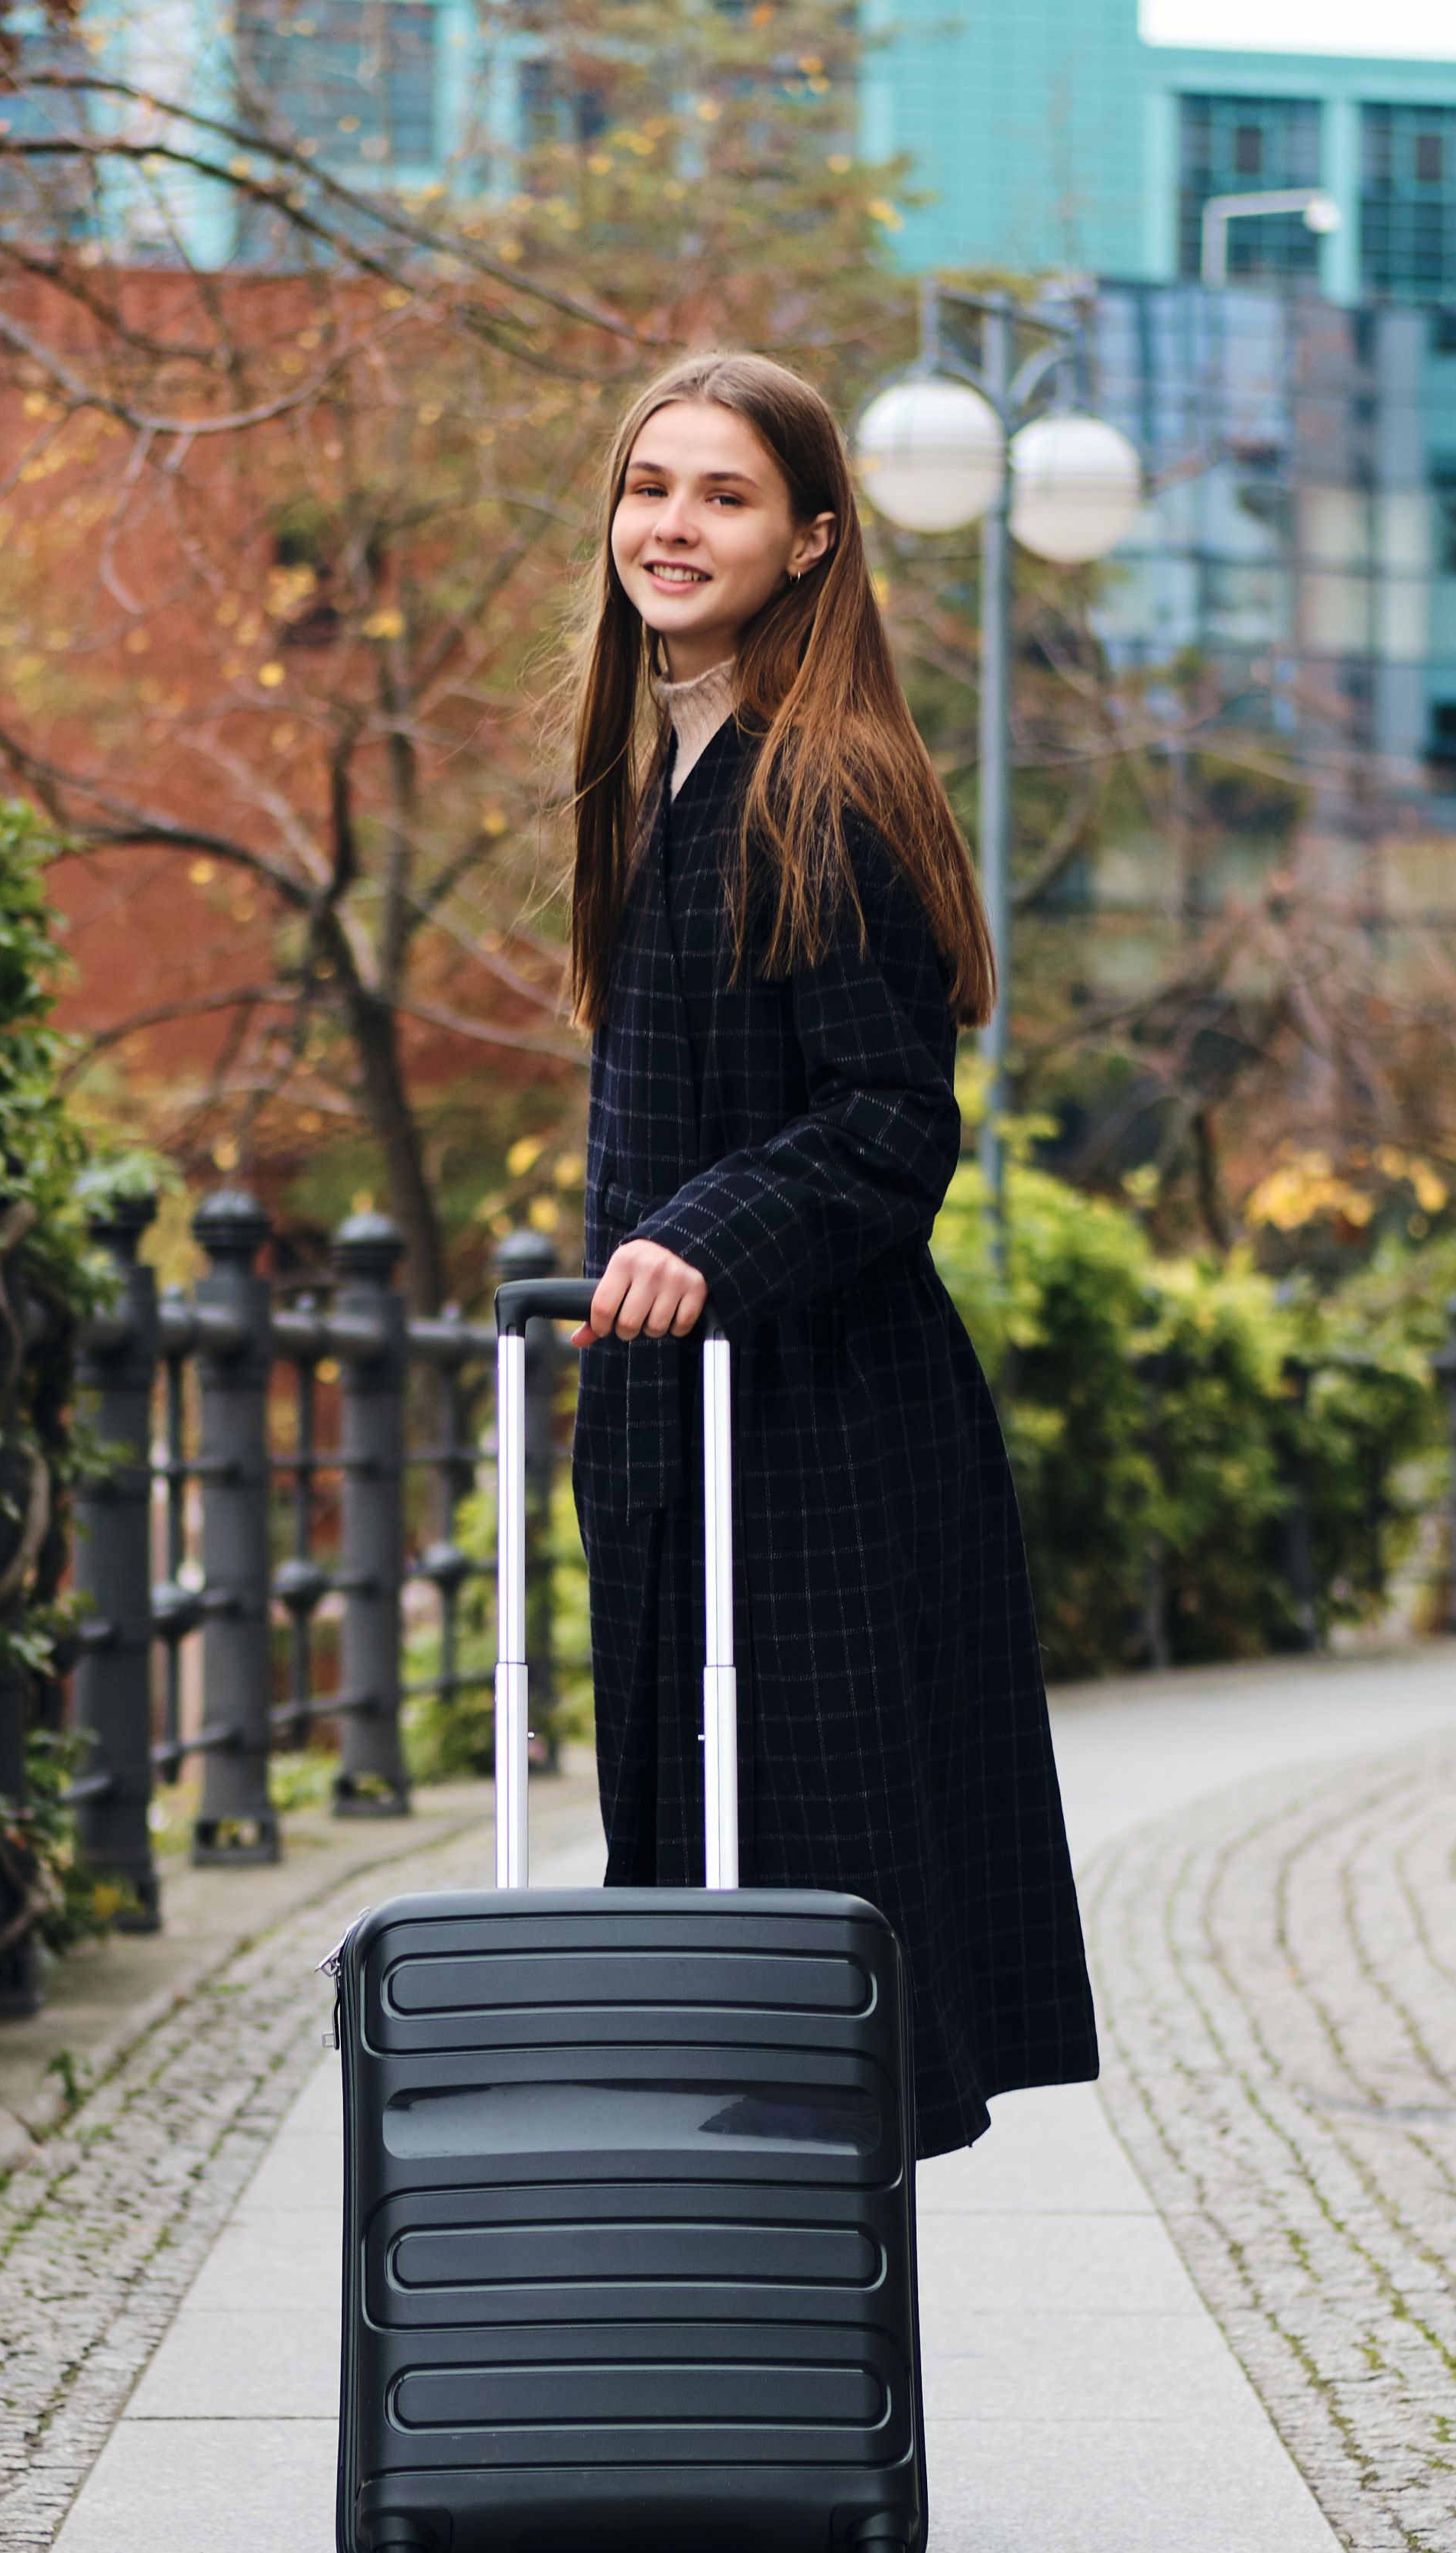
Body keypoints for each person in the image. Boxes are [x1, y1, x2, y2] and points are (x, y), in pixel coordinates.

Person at [554, 349, 1096, 2154]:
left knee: (794, 1952)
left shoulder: (824, 786)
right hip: (680, 1423)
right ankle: (725, 2322)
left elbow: (890, 1124)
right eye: (650, 488)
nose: (672, 525)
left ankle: (791, 2357)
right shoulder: (659, 777)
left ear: (808, 543)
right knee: (702, 1917)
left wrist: (695, 1239)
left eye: (722, 495)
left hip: (814, 1438)